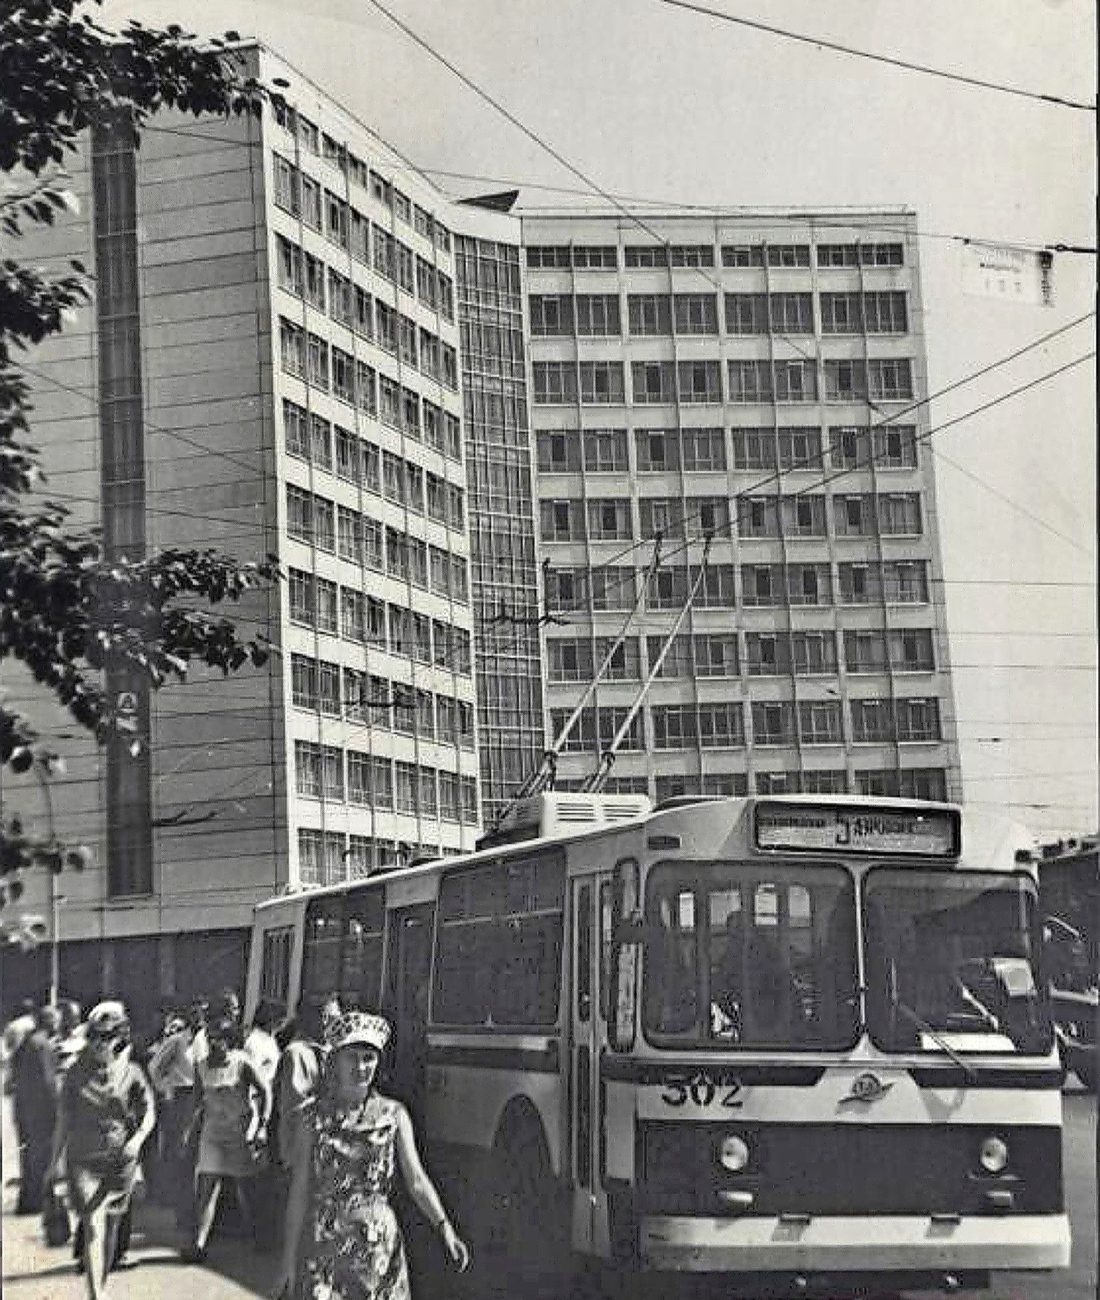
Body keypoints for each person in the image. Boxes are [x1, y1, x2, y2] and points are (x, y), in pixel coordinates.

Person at [296, 1010, 469, 1300]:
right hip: (326, 1246)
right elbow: (299, 1190)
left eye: (369, 1058)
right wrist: (287, 1261)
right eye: (352, 1057)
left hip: (378, 1250)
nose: (361, 1067)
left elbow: (416, 1180)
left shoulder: (394, 1115)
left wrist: (445, 1227)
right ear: (335, 1061)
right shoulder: (312, 1117)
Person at [49, 1001, 156, 1300]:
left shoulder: (132, 1072)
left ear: (119, 1038)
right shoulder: (74, 1074)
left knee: (111, 1228)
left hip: (120, 1161)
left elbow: (149, 1112)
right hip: (83, 1160)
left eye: (107, 1036)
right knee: (92, 1225)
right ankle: (96, 1294)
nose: (99, 1042)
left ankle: (101, 1286)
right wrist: (54, 1163)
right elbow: (63, 1121)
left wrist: (137, 1141)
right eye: (95, 1036)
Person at [185, 1013, 271, 1261]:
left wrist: (262, 1125)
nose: (214, 1044)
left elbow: (265, 1091)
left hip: (239, 1133)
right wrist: (188, 1129)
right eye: (210, 1038)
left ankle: (259, 1235)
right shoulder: (201, 1066)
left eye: (219, 1039)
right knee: (206, 1187)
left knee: (246, 1188)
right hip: (212, 1133)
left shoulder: (242, 1062)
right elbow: (196, 1100)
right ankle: (199, 1244)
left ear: (229, 1040)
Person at [273, 996, 341, 1300]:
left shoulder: (327, 1052)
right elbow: (296, 1106)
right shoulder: (297, 1054)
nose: (334, 1024)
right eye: (329, 1018)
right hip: (302, 1151)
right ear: (311, 1019)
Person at [13, 1003, 61, 1213]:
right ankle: (37, 1201)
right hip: (41, 1112)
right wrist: (58, 1108)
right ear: (49, 1022)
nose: (58, 1025)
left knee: (30, 1155)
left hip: (26, 1109)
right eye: (56, 1021)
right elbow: (48, 1082)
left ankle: (28, 1200)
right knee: (41, 1156)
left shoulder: (28, 1041)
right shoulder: (42, 1045)